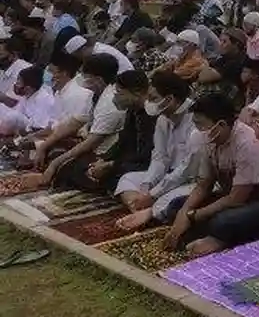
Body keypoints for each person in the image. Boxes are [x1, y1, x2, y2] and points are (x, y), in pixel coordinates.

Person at [163, 92, 259, 256]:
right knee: (175, 207)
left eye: (201, 124)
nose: (198, 130)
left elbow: (237, 198)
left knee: (223, 222)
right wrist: (185, 212)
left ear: (221, 125)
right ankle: (218, 235)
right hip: (235, 201)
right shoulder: (208, 139)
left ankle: (219, 237)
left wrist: (193, 216)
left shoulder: (248, 143)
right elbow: (204, 184)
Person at [115, 71, 200, 232]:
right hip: (168, 175)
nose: (148, 102)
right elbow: (159, 157)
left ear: (169, 99)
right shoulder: (163, 119)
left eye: (153, 98)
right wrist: (147, 187)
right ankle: (143, 211)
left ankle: (149, 212)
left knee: (175, 198)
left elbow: (186, 169)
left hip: (192, 179)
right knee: (127, 179)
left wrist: (154, 194)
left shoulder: (195, 121)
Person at [59, 69, 157, 193]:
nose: (115, 97)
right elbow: (122, 142)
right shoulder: (132, 111)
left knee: (113, 179)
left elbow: (145, 156)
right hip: (125, 161)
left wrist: (111, 165)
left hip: (142, 164)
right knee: (76, 167)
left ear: (137, 93)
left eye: (120, 93)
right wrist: (104, 160)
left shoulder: (152, 117)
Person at [42, 53, 127, 188]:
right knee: (51, 149)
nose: (83, 81)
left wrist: (56, 163)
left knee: (66, 168)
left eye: (87, 78)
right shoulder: (96, 94)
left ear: (98, 79)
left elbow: (91, 142)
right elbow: (75, 121)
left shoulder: (110, 103)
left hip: (102, 154)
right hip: (89, 144)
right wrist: (44, 144)